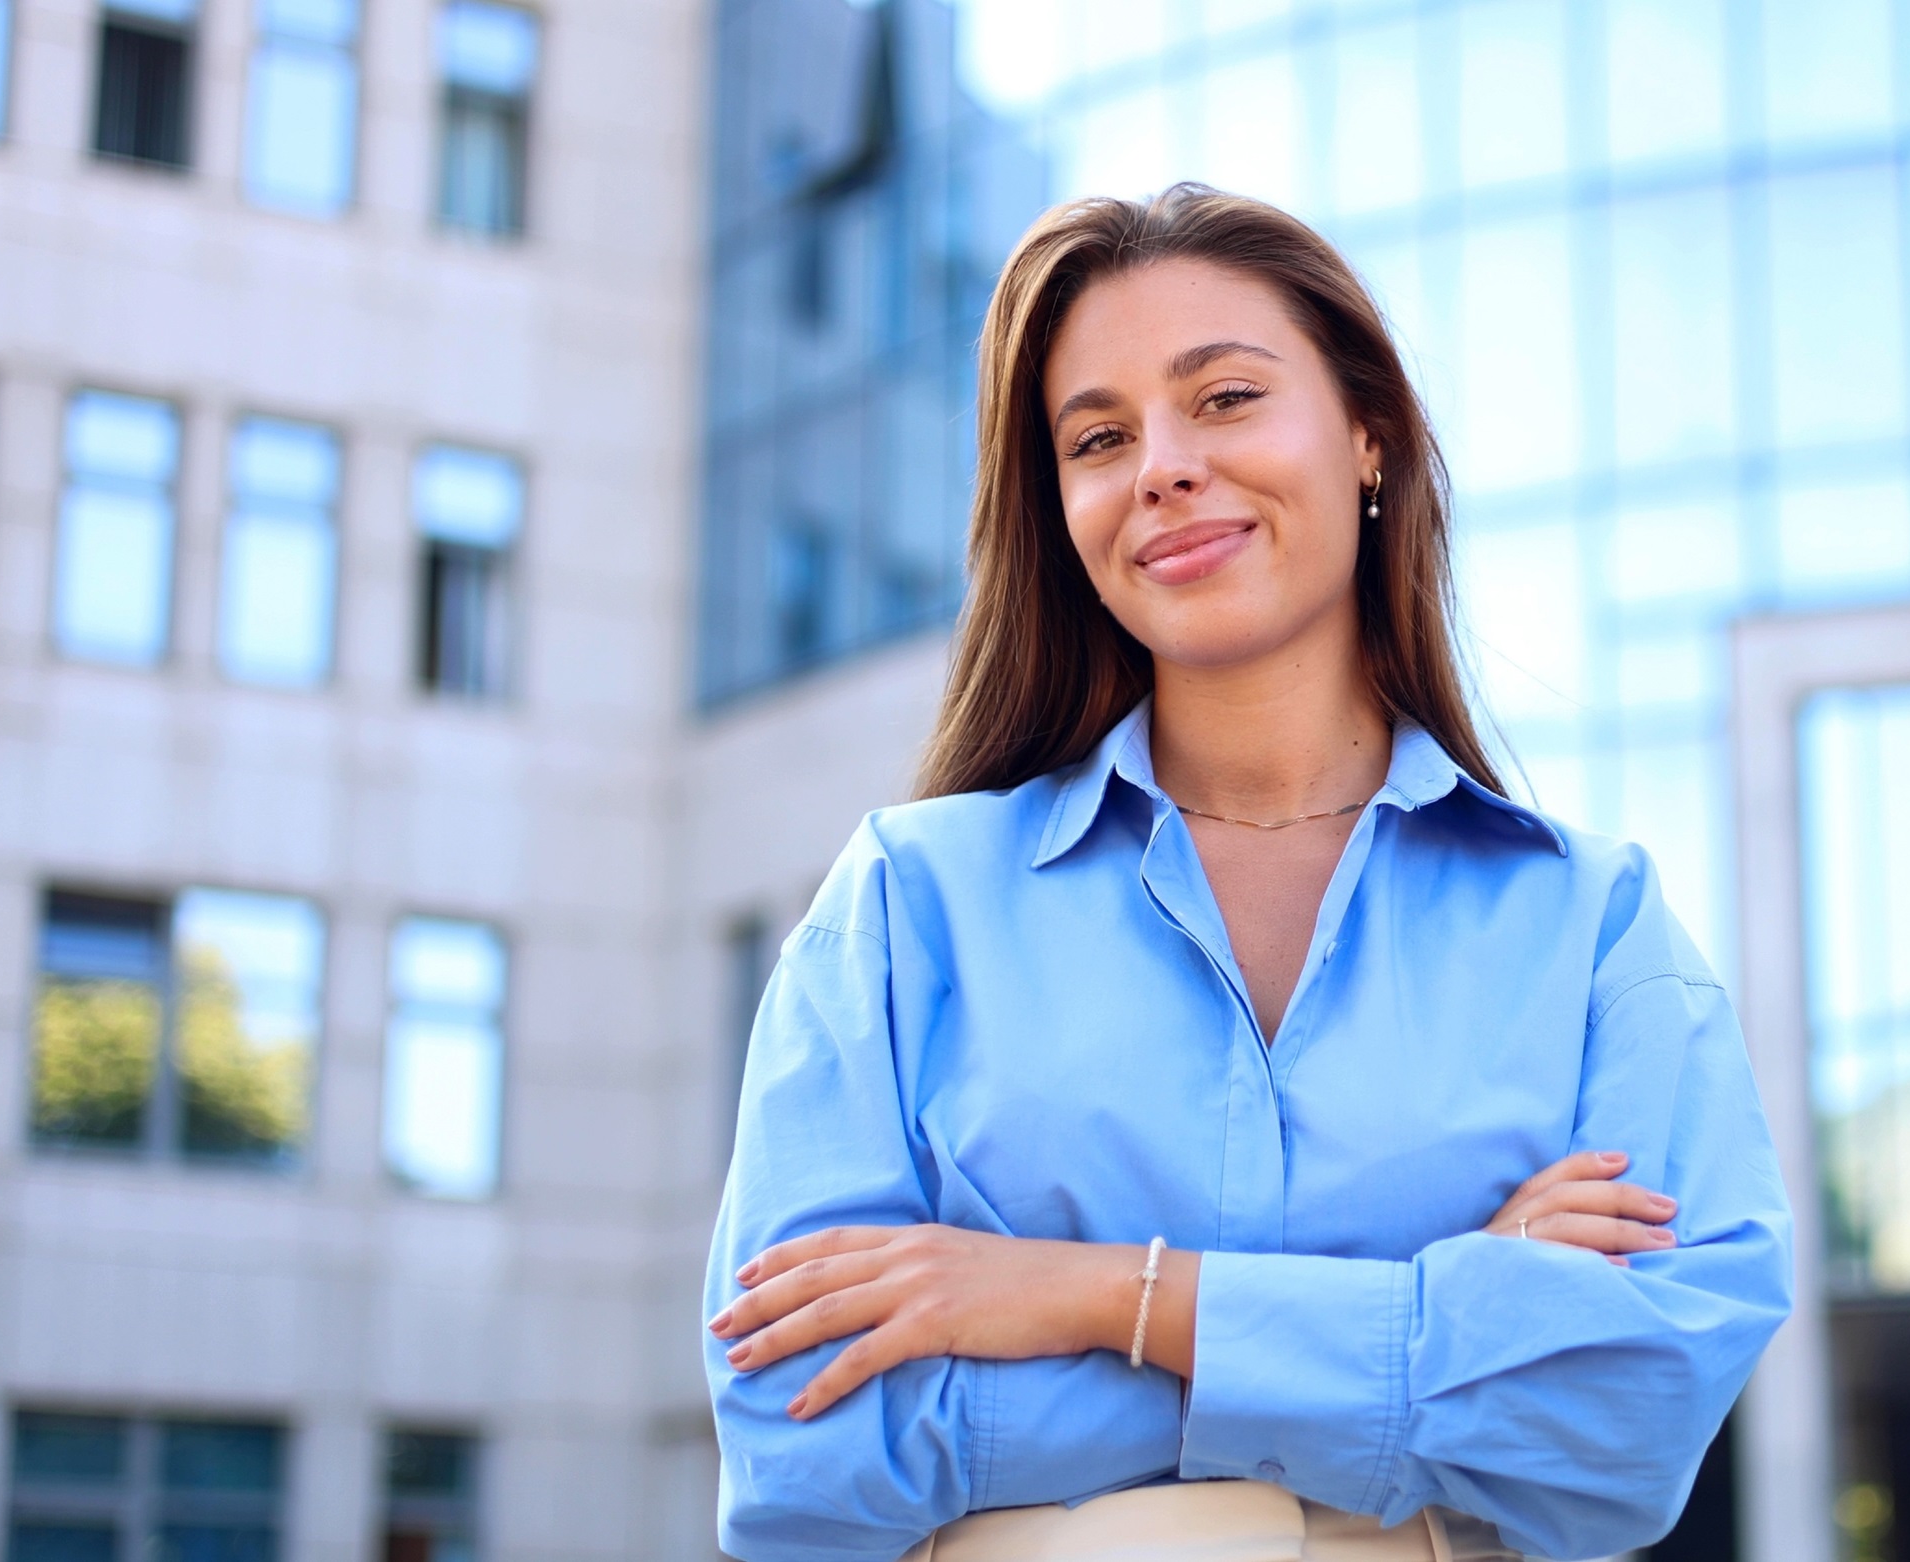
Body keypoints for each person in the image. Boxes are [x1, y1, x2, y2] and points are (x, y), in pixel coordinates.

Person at [702, 184, 1791, 1562]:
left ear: (1368, 435)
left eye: (1222, 399)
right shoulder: (907, 909)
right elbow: (801, 1435)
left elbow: (1623, 1424)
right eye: (1098, 436)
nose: (1160, 464)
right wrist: (1447, 1314)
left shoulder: (1590, 927)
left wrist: (1090, 1294)